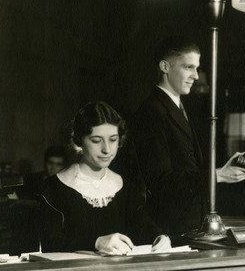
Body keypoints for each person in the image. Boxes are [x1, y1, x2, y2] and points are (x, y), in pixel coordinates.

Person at [130, 36, 245, 236]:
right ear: (165, 66)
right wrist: (217, 175)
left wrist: (222, 170)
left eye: (197, 68)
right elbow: (161, 182)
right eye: (189, 67)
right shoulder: (151, 112)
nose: (196, 76)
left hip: (191, 223)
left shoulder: (179, 107)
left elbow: (189, 166)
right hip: (169, 230)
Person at [39, 101, 171, 255]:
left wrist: (160, 237)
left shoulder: (125, 187)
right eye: (96, 141)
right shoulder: (52, 189)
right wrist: (96, 242)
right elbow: (51, 244)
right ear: (78, 140)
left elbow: (144, 227)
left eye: (113, 140)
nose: (106, 149)